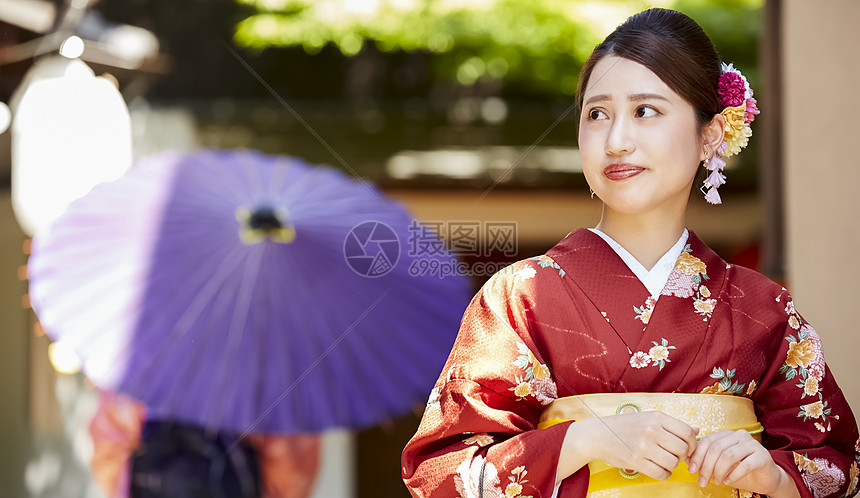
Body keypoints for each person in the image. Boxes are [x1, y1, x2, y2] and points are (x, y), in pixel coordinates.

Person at [401, 8, 859, 498]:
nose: (616, 141)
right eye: (597, 114)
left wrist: (772, 476)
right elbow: (443, 474)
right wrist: (582, 441)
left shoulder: (762, 311)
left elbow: (837, 467)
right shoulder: (520, 299)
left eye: (646, 111)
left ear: (710, 135)